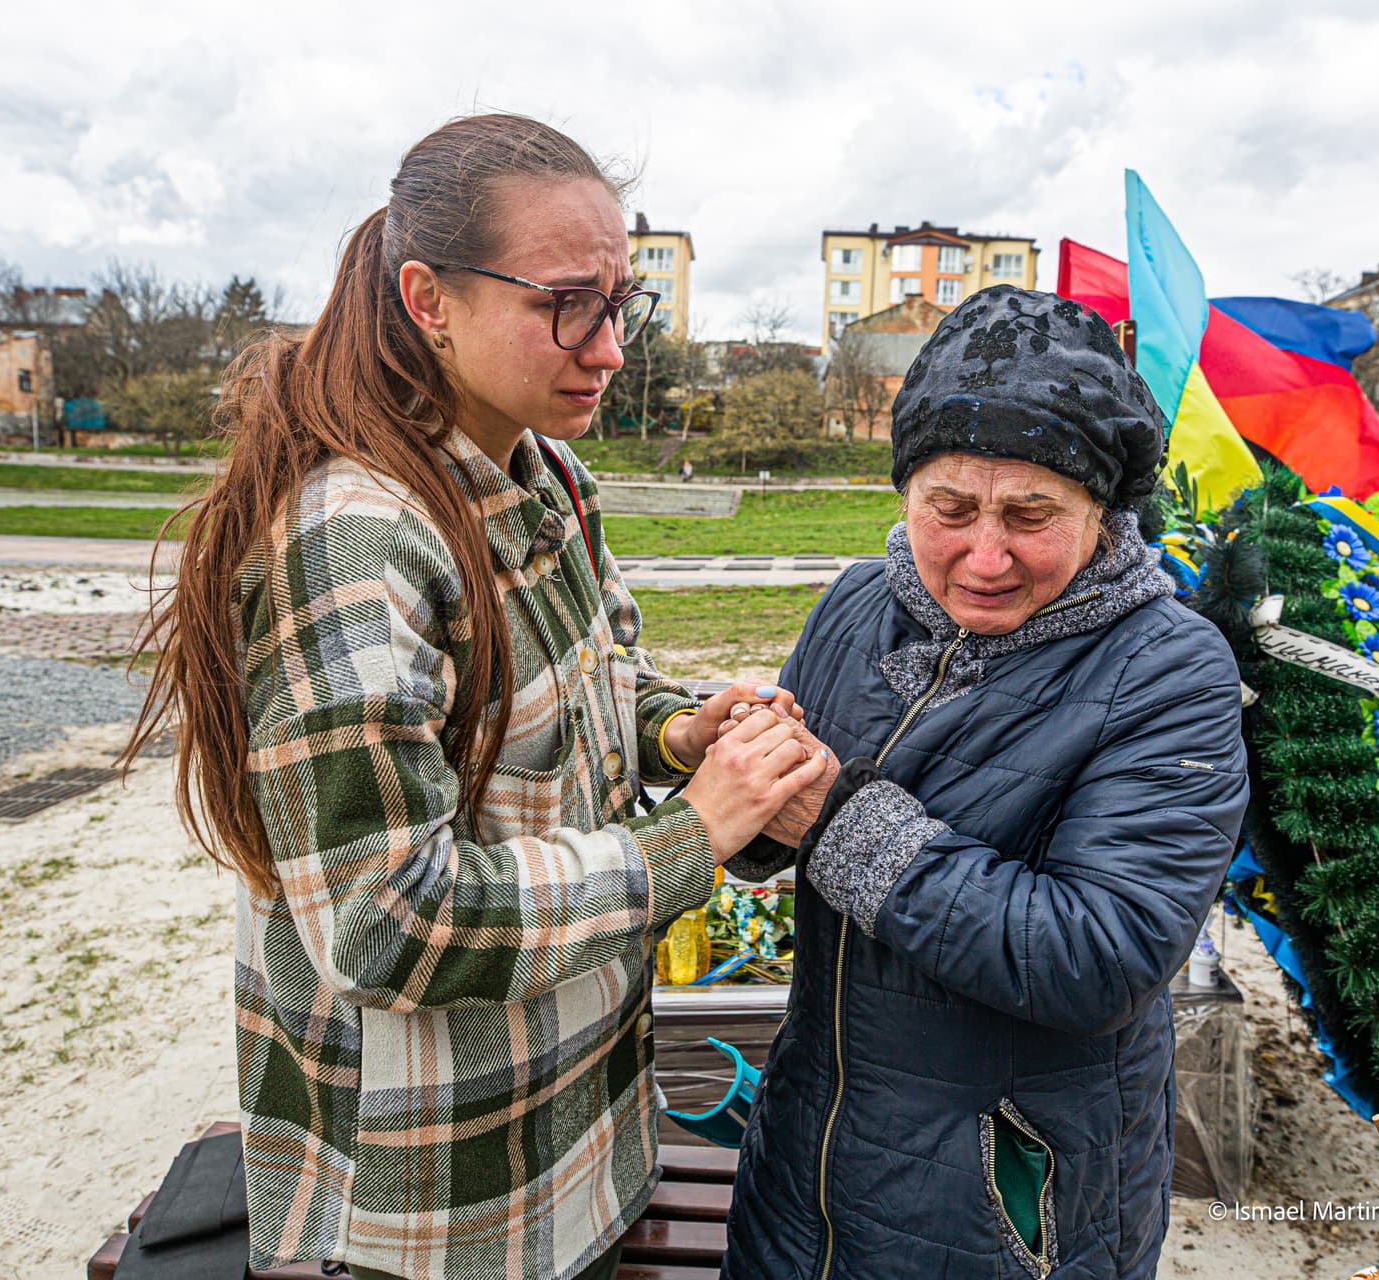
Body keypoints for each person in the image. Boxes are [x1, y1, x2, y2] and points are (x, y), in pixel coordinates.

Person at [124, 115, 828, 1280]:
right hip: (447, 1202)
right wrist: (695, 832)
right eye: (567, 304)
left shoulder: (545, 471)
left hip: (576, 1132)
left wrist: (679, 728)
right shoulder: (353, 541)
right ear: (427, 298)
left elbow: (591, 680)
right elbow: (384, 923)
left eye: (622, 304)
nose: (609, 349)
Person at [716, 287, 1250, 1280]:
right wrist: (751, 788)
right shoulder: (857, 602)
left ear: (1103, 513)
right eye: (949, 509)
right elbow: (788, 822)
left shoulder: (1170, 668)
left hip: (1004, 1211)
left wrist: (836, 821)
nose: (984, 554)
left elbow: (1104, 954)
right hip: (804, 1174)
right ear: (906, 493)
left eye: (1032, 514)